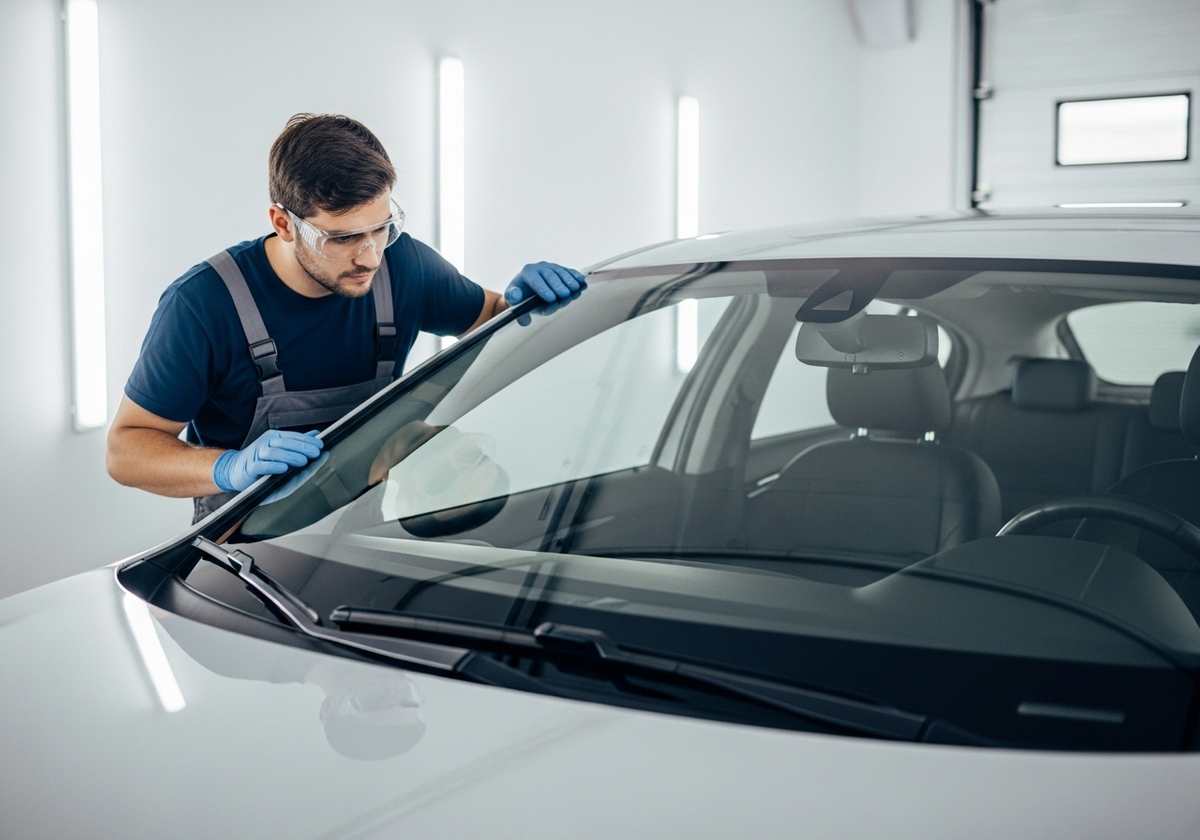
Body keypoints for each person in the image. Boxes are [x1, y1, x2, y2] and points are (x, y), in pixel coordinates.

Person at [106, 113, 585, 523]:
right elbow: (126, 450)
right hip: (241, 554)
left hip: (357, 534)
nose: (370, 257)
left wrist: (526, 306)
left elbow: (489, 318)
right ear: (283, 223)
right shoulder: (204, 305)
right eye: (342, 238)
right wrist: (227, 468)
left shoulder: (405, 266)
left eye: (381, 228)